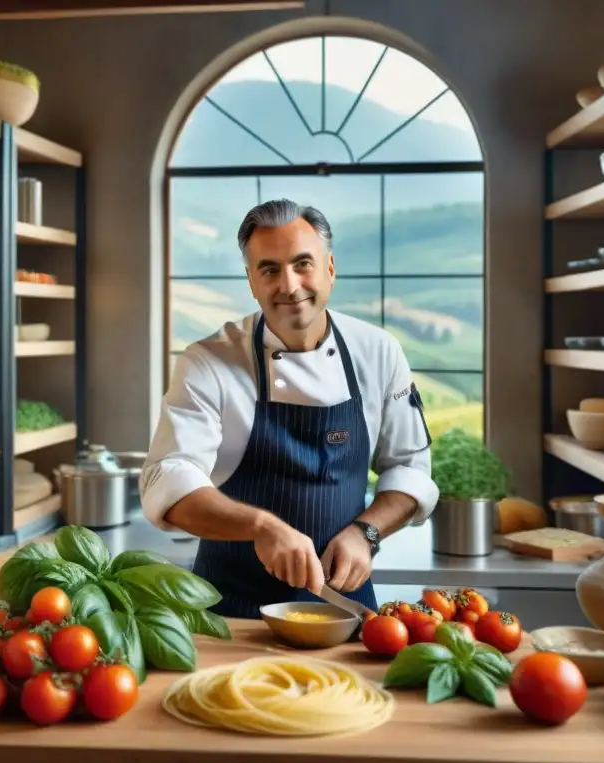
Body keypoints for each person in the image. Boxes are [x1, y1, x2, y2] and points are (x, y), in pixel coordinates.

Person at [139, 199, 439, 619]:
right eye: (270, 269)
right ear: (251, 280)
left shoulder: (379, 352)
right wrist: (262, 527)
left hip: (344, 609)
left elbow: (409, 467)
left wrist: (365, 532)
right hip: (229, 611)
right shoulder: (207, 362)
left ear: (329, 269)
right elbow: (167, 479)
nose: (290, 285)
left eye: (303, 264)